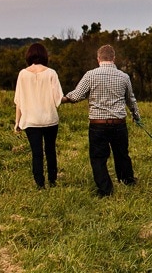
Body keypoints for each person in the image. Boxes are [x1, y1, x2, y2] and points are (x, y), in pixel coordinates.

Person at [62, 44, 141, 197]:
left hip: (98, 125)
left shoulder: (90, 75)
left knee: (98, 158)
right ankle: (127, 181)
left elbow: (76, 96)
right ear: (114, 58)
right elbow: (130, 99)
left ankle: (105, 190)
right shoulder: (124, 76)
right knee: (122, 154)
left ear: (98, 58)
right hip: (119, 123)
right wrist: (136, 115)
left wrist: (61, 99)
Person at [14, 42, 63, 190]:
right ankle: (53, 181)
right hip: (50, 119)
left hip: (30, 120)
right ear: (44, 55)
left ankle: (40, 184)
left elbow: (19, 101)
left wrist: (17, 122)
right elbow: (58, 99)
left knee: (36, 153)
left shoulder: (22, 74)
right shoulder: (51, 73)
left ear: (29, 55)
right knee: (50, 150)